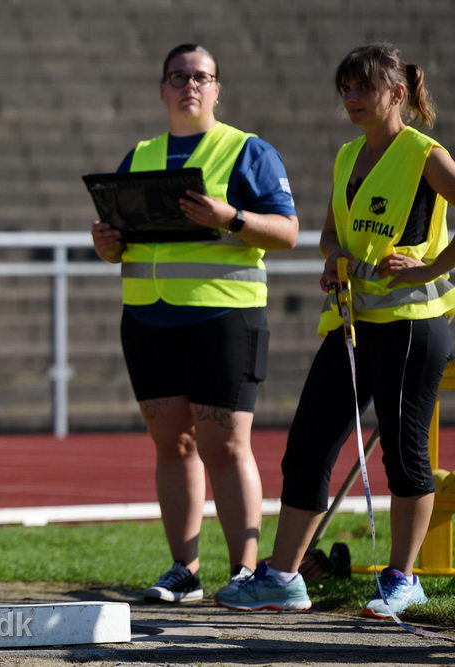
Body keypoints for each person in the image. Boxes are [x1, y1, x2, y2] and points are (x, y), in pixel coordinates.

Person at [217, 43, 455, 618]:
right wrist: (333, 259)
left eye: (362, 88)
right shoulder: (349, 154)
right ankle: (283, 577)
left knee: (404, 458)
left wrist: (426, 268)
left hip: (413, 327)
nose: (350, 99)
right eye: (344, 89)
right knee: (307, 449)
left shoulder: (427, 155)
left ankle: (403, 578)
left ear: (397, 94)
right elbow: (329, 234)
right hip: (353, 326)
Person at [91, 44, 299, 602]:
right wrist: (107, 245)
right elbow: (122, 244)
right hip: (148, 320)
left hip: (223, 317)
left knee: (227, 447)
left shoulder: (247, 150)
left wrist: (229, 216)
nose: (190, 85)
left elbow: (287, 233)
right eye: (179, 77)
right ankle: (183, 570)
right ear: (162, 89)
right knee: (172, 446)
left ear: (217, 88)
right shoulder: (140, 155)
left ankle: (246, 574)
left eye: (201, 77)